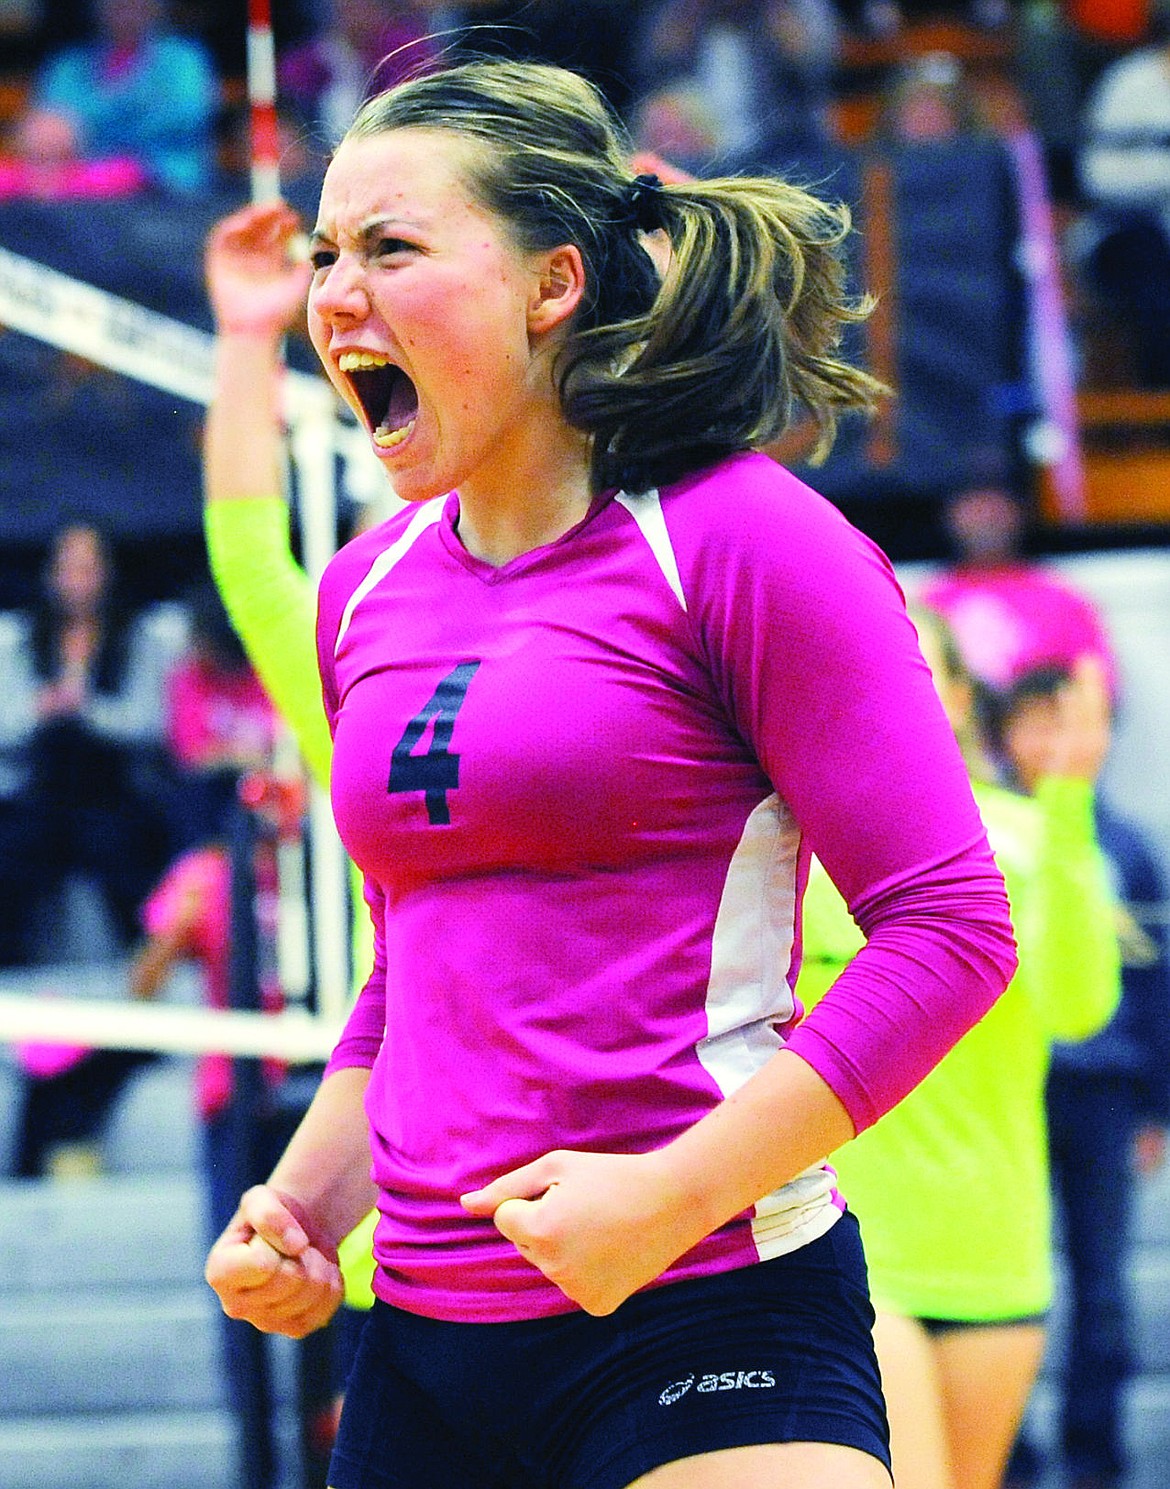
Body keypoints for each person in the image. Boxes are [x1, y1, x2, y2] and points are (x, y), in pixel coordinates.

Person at [203, 58, 1020, 1489]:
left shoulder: (742, 541)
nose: (336, 294)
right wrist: (305, 1205)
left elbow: (950, 929)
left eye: (390, 247)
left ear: (552, 284)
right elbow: (417, 967)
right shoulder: (360, 592)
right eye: (329, 254)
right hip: (425, 1344)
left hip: (710, 1313)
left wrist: (669, 1195)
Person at [799, 615, 1120, 1489]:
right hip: (861, 1241)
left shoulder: (1023, 834)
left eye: (915, 673)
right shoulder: (798, 845)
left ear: (957, 699)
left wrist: (1067, 799)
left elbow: (1079, 1006)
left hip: (995, 1244)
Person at [997, 664, 1170, 1489]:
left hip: (1105, 1095)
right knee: (1012, 1275)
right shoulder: (984, 833)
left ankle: (1096, 1461)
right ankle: (1009, 1454)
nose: (1055, 745)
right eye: (1037, 724)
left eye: (1073, 724)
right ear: (1005, 734)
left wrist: (1155, 1105)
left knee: (1101, 1291)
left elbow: (1155, 985)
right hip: (1013, 1089)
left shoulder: (1128, 846)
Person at [920, 480, 1118, 697]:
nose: (985, 516)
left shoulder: (1061, 601)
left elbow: (1100, 690)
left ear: (1019, 512)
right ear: (950, 515)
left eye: (995, 504)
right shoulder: (928, 604)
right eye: (973, 504)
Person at [12, 0, 218, 195]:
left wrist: (86, 128)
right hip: (74, 190)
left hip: (163, 187)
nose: (125, 5)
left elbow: (184, 116)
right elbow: (45, 126)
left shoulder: (182, 59)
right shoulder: (68, 65)